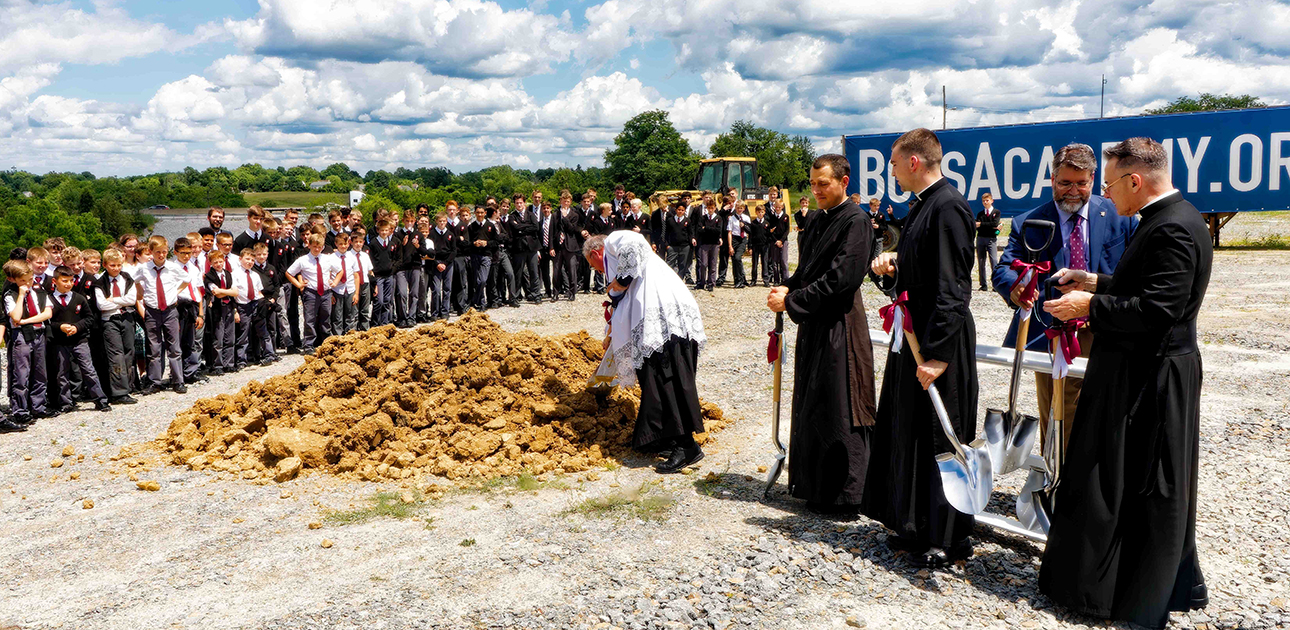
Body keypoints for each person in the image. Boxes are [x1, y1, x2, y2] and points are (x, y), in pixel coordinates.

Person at [1037, 137, 1211, 629]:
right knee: (1111, 474)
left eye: (1110, 184)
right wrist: (1094, 282)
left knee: (1137, 481)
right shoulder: (1162, 220)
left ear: (1135, 181)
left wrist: (1088, 307)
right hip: (1135, 371)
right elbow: (1143, 285)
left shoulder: (1173, 228)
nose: (1106, 195)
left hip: (1151, 379)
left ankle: (1130, 592)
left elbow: (1158, 311)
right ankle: (1100, 583)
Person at [866, 128, 978, 568]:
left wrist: (940, 354)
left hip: (937, 342)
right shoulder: (920, 207)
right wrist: (890, 270)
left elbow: (955, 288)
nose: (891, 171)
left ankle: (946, 536)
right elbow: (918, 278)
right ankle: (914, 525)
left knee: (940, 436)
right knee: (910, 431)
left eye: (894, 163)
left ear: (914, 162)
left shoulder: (948, 207)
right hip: (913, 335)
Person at [992, 143, 1135, 450]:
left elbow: (1134, 273)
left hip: (1106, 329)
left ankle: (1096, 487)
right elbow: (1002, 270)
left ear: (1093, 179)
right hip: (1052, 332)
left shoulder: (1119, 216)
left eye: (1081, 183)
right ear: (1052, 178)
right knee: (1058, 414)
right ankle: (1056, 481)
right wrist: (1015, 288)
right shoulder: (1028, 222)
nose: (1073, 190)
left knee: (1108, 411)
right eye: (1065, 183)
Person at [766, 154, 875, 513]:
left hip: (840, 326)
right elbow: (807, 270)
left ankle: (846, 494)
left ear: (844, 182)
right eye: (812, 184)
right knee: (812, 404)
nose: (816, 191)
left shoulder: (857, 221)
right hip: (813, 323)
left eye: (823, 184)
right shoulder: (814, 219)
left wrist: (794, 300)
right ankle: (814, 486)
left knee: (840, 406)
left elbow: (842, 278)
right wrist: (786, 289)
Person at [584, 231, 707, 474]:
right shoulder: (621, 265)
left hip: (663, 320)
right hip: (651, 327)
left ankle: (687, 446)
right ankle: (668, 437)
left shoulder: (613, 241)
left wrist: (620, 281)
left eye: (594, 266)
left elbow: (634, 242)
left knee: (668, 380)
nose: (599, 272)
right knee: (653, 380)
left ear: (597, 253)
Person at [48, 266, 111, 412]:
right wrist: (60, 327)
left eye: (70, 281)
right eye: (64, 281)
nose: (68, 284)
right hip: (59, 342)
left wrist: (77, 327)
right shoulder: (49, 300)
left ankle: (100, 400)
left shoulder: (79, 298)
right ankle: (65, 402)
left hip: (79, 340)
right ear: (54, 281)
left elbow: (89, 318)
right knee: (61, 372)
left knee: (88, 370)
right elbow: (48, 322)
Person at [4, 260, 51, 428]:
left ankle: (38, 406)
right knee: (21, 373)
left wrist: (26, 321)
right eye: (23, 281)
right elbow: (15, 317)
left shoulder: (39, 291)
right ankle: (20, 410)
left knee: (40, 372)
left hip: (38, 332)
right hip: (20, 336)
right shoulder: (11, 294)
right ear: (13, 280)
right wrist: (22, 295)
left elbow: (47, 313)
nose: (28, 283)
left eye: (30, 279)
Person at [139, 236, 189, 394]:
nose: (161, 255)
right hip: (152, 311)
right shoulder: (144, 268)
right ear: (150, 252)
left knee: (174, 347)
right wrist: (141, 295)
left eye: (164, 252)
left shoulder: (172, 267)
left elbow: (187, 279)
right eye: (158, 252)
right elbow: (133, 281)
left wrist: (175, 292)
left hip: (169, 310)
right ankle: (155, 381)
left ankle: (178, 380)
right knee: (154, 347)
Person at [95, 249, 139, 404]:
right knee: (116, 355)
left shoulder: (127, 278)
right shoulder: (100, 282)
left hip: (127, 317)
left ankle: (128, 385)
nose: (116, 268)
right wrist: (121, 300)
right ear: (105, 265)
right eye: (112, 265)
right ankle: (119, 392)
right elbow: (101, 305)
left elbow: (132, 299)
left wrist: (113, 299)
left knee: (129, 352)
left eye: (119, 265)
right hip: (110, 320)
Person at [287, 233, 342, 351]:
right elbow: (289, 273)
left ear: (323, 247)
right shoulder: (303, 260)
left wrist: (335, 282)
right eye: (314, 246)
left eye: (319, 247)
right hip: (311, 292)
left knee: (325, 318)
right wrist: (298, 284)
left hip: (326, 293)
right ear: (309, 246)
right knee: (310, 319)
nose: (317, 249)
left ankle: (326, 342)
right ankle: (308, 344)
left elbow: (340, 271)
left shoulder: (328, 259)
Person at [173, 237, 208, 383]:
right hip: (178, 305)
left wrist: (200, 313)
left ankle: (190, 372)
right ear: (175, 253)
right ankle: (177, 374)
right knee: (178, 342)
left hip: (192, 305)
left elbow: (198, 291)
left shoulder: (194, 268)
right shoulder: (171, 268)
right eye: (183, 253)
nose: (186, 256)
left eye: (188, 252)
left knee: (191, 340)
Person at [202, 249, 237, 375]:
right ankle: (217, 365)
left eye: (220, 261)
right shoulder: (209, 276)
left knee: (230, 336)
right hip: (217, 308)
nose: (218, 264)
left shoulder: (228, 274)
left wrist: (227, 292)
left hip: (229, 306)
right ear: (210, 263)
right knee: (218, 337)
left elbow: (236, 292)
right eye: (215, 262)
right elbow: (216, 293)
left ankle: (229, 363)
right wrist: (229, 292)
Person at [368, 220, 399, 327]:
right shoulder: (373, 243)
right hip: (378, 276)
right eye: (382, 230)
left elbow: (394, 258)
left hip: (389, 275)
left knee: (387, 301)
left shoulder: (391, 243)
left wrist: (392, 268)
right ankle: (375, 323)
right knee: (379, 301)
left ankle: (385, 323)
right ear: (378, 230)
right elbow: (371, 259)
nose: (384, 232)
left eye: (386, 230)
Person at [329, 232, 360, 336]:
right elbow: (328, 276)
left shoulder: (352, 257)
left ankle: (349, 337)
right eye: (341, 244)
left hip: (350, 289)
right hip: (337, 290)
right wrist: (330, 294)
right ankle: (338, 338)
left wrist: (356, 293)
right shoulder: (331, 258)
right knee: (337, 317)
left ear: (349, 244)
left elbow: (356, 275)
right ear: (336, 244)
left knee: (350, 316)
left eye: (345, 244)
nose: (343, 246)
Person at [555, 192, 582, 301]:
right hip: (558, 245)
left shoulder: (574, 215)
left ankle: (572, 292)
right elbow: (553, 229)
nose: (565, 203)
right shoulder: (555, 213)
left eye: (568, 201)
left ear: (570, 202)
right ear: (561, 201)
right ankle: (555, 293)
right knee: (556, 270)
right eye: (564, 201)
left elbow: (572, 229)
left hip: (570, 245)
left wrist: (565, 217)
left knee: (572, 270)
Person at [972, 192, 1001, 291]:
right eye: (983, 201)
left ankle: (995, 284)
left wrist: (982, 224)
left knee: (993, 261)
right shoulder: (980, 213)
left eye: (987, 200)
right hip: (981, 238)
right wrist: (988, 226)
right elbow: (977, 225)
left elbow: (995, 223)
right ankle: (983, 284)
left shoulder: (996, 212)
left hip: (991, 239)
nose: (985, 202)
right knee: (981, 261)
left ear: (992, 201)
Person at [694, 200, 722, 292]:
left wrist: (706, 228)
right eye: (709, 208)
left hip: (714, 243)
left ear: (715, 208)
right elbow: (699, 229)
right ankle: (701, 282)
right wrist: (710, 230)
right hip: (704, 243)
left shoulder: (718, 218)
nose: (710, 210)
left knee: (713, 264)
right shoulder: (703, 218)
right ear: (706, 209)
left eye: (712, 208)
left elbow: (718, 231)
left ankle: (711, 283)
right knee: (703, 264)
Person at [664, 199, 692, 281]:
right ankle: (668, 280)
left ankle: (680, 280)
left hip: (684, 246)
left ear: (685, 211)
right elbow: (666, 233)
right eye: (679, 210)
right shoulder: (670, 220)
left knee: (682, 264)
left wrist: (690, 244)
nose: (680, 211)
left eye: (682, 210)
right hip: (672, 246)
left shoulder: (687, 221)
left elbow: (690, 233)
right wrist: (667, 245)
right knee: (669, 263)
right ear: (676, 210)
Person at [726, 201, 750, 289]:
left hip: (742, 239)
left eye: (741, 208)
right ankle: (737, 280)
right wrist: (730, 246)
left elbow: (750, 231)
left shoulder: (746, 218)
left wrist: (744, 226)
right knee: (734, 260)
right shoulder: (732, 218)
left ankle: (741, 279)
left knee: (738, 257)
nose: (739, 210)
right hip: (734, 239)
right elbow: (729, 232)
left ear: (743, 209)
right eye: (738, 208)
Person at [768, 200, 790, 284]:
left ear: (782, 207)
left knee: (783, 261)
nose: (777, 208)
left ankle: (785, 279)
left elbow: (787, 230)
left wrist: (781, 240)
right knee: (774, 262)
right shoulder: (772, 217)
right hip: (774, 241)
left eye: (779, 207)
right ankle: (776, 280)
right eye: (776, 207)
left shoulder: (786, 217)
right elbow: (771, 231)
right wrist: (776, 240)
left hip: (783, 241)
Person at [748, 205, 771, 287]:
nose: (760, 214)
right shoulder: (753, 223)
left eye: (762, 212)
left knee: (764, 263)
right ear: (756, 212)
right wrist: (749, 247)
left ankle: (766, 280)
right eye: (759, 212)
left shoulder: (767, 223)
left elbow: (768, 235)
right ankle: (753, 280)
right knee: (755, 263)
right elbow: (750, 236)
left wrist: (768, 245)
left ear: (764, 212)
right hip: (755, 245)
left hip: (764, 246)